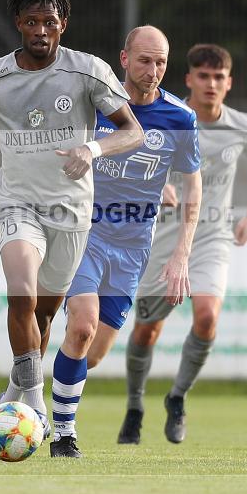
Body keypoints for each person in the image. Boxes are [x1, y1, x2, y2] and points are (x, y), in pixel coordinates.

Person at [0, 0, 143, 460]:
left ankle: (11, 399)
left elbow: (131, 130)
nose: (41, 31)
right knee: (21, 291)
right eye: (32, 22)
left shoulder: (87, 71)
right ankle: (36, 405)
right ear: (18, 25)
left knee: (40, 318)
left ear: (63, 25)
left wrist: (91, 148)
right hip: (17, 203)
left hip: (72, 213)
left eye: (50, 23)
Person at [47, 26, 202, 458]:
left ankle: (33, 392)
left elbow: (194, 188)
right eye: (145, 60)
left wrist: (181, 253)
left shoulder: (179, 118)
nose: (153, 71)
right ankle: (63, 434)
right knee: (82, 324)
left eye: (161, 63)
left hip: (134, 247)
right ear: (124, 59)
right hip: (84, 232)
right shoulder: (94, 103)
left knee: (90, 354)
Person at [118, 44, 247, 445]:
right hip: (163, 238)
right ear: (189, 80)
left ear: (229, 83)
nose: (211, 84)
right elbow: (126, 158)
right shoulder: (170, 118)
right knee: (147, 331)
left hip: (212, 238)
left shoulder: (244, 126)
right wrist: (157, 184)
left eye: (218, 77)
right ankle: (135, 405)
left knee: (206, 317)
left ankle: (177, 397)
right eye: (203, 76)